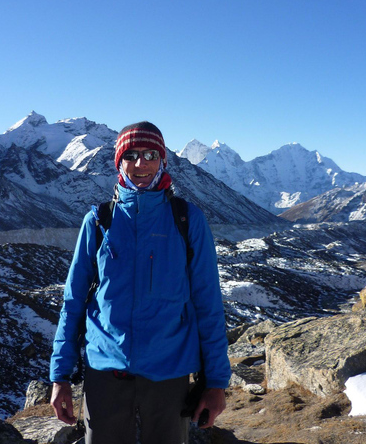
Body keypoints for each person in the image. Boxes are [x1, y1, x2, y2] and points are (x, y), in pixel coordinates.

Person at [49, 121, 231, 444]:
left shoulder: (188, 221)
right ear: (119, 162)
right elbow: (73, 302)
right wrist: (59, 376)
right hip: (104, 374)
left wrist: (216, 382)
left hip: (169, 376)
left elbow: (208, 305)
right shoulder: (98, 222)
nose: (140, 163)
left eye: (149, 154)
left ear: (162, 160)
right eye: (131, 155)